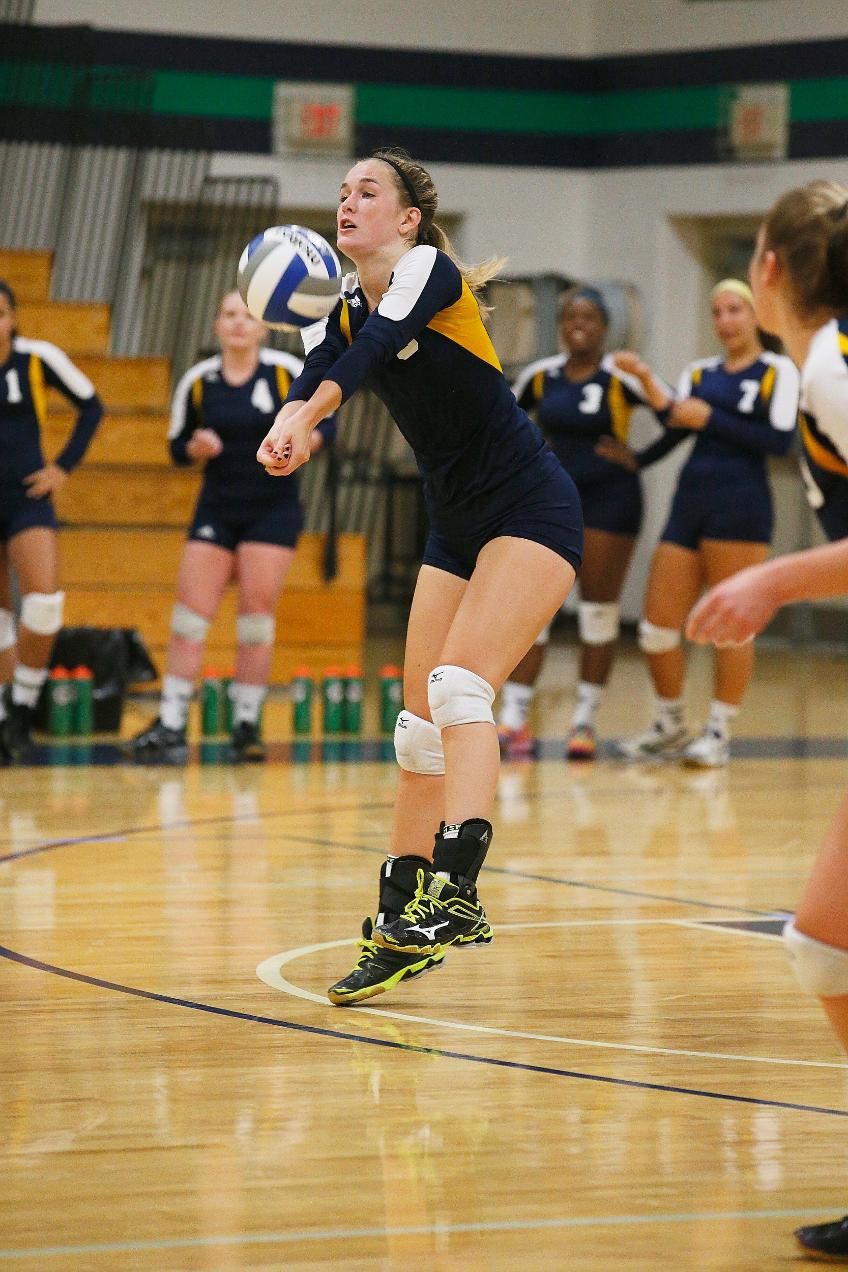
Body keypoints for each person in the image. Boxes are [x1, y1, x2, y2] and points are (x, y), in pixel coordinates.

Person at [257, 147, 582, 1005]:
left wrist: (308, 416)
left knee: (460, 687)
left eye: (367, 191)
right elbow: (318, 369)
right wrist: (290, 424)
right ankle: (401, 922)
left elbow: (368, 355)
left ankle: (458, 892)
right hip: (457, 523)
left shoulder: (427, 272)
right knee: (416, 731)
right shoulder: (337, 305)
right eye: (342, 192)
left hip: (529, 508)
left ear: (407, 218)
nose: (347, 202)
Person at [687, 178, 848, 1263]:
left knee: (826, 943)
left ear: (772, 268)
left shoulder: (830, 367)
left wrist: (773, 579)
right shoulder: (820, 367)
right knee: (826, 946)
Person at [127, 290, 334, 764]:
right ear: (217, 326)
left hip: (271, 511)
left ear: (263, 327)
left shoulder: (285, 373)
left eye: (247, 316)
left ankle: (246, 725)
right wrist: (194, 448)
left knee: (255, 621)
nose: (239, 323)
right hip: (216, 510)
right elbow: (177, 446)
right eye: (229, 315)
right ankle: (172, 724)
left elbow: (326, 425)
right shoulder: (200, 381)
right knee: (189, 619)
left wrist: (299, 442)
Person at [608, 279, 799, 768]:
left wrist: (709, 419)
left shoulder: (777, 370)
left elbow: (779, 440)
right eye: (717, 312)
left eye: (735, 310)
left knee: (731, 626)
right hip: (690, 503)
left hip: (741, 507)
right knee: (656, 628)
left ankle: (718, 731)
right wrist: (640, 446)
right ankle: (669, 726)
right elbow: (677, 424)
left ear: (756, 315)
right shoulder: (700, 372)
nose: (725, 321)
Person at [497, 286, 670, 761]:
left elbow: (676, 415)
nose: (579, 323)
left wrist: (640, 457)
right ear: (560, 325)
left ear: (605, 327)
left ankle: (583, 722)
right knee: (532, 611)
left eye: (589, 317)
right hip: (551, 503)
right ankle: (514, 719)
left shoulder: (621, 375)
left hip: (610, 503)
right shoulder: (541, 375)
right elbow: (501, 421)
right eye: (571, 315)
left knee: (597, 613)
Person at [0, 279, 103, 764]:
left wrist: (61, 468)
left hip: (27, 498)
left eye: (0, 313)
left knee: (43, 605)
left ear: (12, 319)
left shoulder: (37, 359)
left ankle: (22, 705)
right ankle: (5, 716)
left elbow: (92, 406)